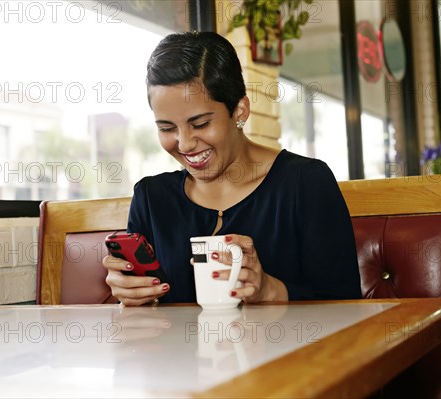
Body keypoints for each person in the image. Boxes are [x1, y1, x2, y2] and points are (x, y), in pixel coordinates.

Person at [102, 31, 361, 306]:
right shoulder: (151, 198)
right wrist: (130, 295)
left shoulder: (305, 183)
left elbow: (346, 304)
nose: (186, 144)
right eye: (167, 128)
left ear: (240, 111)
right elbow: (147, 321)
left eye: (200, 124)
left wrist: (272, 291)